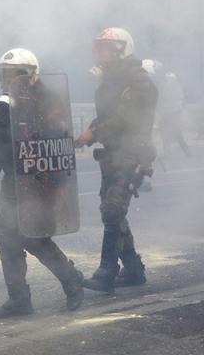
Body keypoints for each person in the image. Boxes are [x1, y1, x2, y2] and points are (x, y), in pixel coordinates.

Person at [0, 48, 84, 318]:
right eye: (5, 74)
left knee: (33, 236)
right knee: (6, 235)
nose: (8, 80)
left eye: (14, 74)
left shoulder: (47, 99)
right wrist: (3, 113)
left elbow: (52, 136)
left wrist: (15, 109)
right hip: (15, 177)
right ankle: (19, 299)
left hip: (41, 178)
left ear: (30, 74)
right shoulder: (9, 103)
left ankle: (71, 280)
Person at [76, 28, 158, 293]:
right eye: (98, 47)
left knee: (112, 210)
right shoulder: (112, 80)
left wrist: (93, 133)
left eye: (106, 48)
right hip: (113, 154)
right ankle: (133, 269)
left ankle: (107, 272)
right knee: (112, 212)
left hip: (132, 153)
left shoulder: (137, 80)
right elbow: (107, 115)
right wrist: (89, 131)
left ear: (123, 49)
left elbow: (126, 118)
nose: (100, 53)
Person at [157, 71, 191, 158]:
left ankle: (186, 150)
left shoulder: (176, 88)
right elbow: (160, 100)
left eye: (169, 79)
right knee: (164, 133)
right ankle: (167, 153)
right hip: (165, 114)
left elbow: (179, 100)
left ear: (173, 79)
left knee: (177, 133)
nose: (168, 80)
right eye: (167, 79)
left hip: (173, 114)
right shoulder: (164, 87)